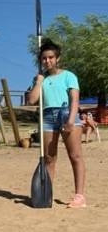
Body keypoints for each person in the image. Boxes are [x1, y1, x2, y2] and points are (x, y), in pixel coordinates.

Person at [26, 39, 86, 208]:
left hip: (66, 112)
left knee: (75, 156)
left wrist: (70, 121)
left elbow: (75, 99)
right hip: (47, 117)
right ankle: (47, 195)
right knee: (49, 158)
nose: (47, 61)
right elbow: (31, 100)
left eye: (51, 57)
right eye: (44, 58)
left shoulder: (69, 76)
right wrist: (38, 82)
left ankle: (80, 196)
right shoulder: (40, 78)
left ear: (57, 58)